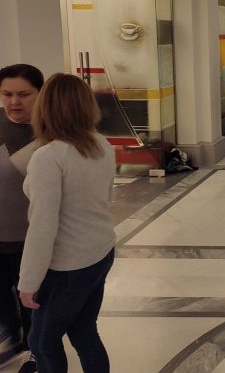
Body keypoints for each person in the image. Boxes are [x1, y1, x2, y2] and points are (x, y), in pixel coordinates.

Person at [19, 73, 116, 373]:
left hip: (68, 267)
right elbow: (105, 197)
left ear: (45, 107)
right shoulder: (101, 144)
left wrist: (28, 282)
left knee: (41, 342)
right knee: (84, 331)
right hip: (100, 252)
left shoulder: (48, 157)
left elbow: (42, 225)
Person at [0, 64, 43, 373]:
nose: (14, 102)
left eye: (24, 94)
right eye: (6, 94)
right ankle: (12, 340)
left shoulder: (53, 133)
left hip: (33, 240)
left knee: (34, 301)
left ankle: (35, 352)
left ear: (40, 93)